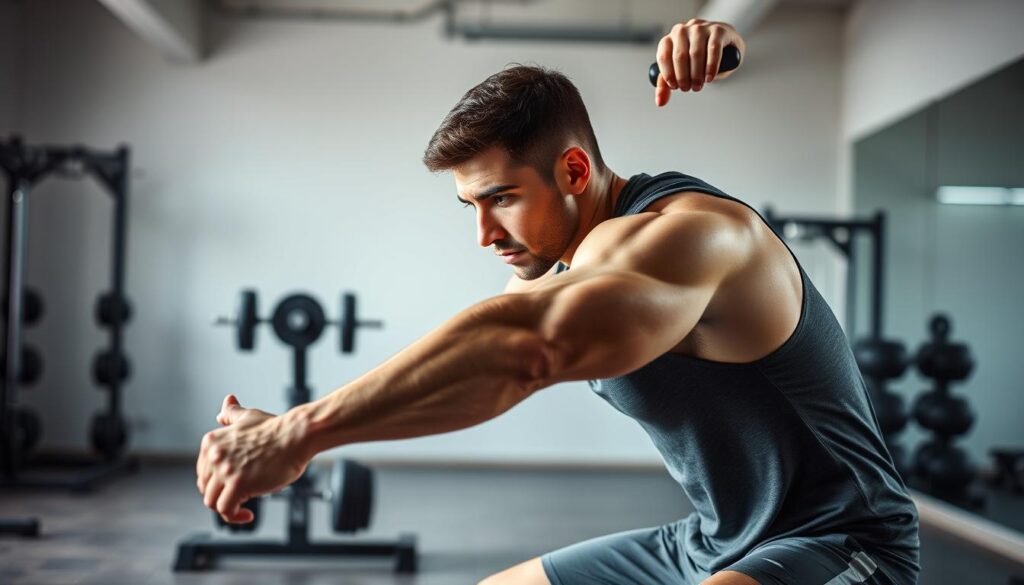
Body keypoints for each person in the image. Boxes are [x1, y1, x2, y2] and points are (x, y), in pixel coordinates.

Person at [196, 18, 919, 585]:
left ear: (574, 168)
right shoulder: (565, 264)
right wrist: (293, 429)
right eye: (469, 207)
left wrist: (298, 433)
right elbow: (473, 357)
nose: (483, 233)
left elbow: (528, 349)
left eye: (500, 199)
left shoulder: (691, 237)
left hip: (846, 543)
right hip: (711, 539)